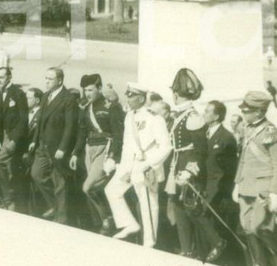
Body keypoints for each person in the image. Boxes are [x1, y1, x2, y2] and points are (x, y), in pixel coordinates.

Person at [104, 85, 172, 245]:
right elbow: (127, 144)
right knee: (112, 190)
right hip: (130, 165)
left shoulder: (155, 118)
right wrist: (120, 165)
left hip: (148, 166)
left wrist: (149, 164)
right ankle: (129, 224)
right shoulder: (129, 117)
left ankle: (149, 242)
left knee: (148, 204)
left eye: (131, 95)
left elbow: (166, 146)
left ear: (141, 99)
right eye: (127, 95)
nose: (127, 98)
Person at [233, 90, 277, 266]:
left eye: (247, 111)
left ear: (258, 112)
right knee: (246, 227)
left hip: (263, 187)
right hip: (246, 185)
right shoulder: (247, 128)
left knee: (259, 226)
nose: (243, 114)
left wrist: (275, 192)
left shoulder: (271, 132)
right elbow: (243, 159)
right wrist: (237, 182)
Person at [70, 73, 124, 235]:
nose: (87, 93)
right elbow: (82, 132)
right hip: (89, 149)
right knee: (94, 188)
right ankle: (107, 220)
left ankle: (108, 218)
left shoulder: (110, 107)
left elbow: (118, 134)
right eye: (85, 90)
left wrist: (113, 156)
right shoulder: (86, 108)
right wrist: (75, 153)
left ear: (99, 88)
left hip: (105, 149)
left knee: (89, 187)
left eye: (91, 90)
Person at [166, 68, 209, 258]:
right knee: (178, 207)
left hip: (187, 166)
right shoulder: (181, 114)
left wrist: (191, 171)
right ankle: (186, 249)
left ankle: (195, 251)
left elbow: (199, 150)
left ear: (176, 95)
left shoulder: (192, 117)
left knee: (189, 209)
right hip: (178, 164)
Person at [29, 67, 78, 224]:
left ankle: (61, 219)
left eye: (50, 79)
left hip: (57, 148)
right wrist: (34, 140)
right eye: (46, 78)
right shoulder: (45, 96)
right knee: (37, 174)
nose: (46, 81)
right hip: (42, 146)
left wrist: (63, 148)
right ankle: (55, 206)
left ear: (60, 80)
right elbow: (40, 121)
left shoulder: (68, 99)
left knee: (60, 184)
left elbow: (70, 126)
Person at [198, 100, 239, 264]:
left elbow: (230, 168)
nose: (204, 114)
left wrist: (223, 191)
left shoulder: (226, 138)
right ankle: (204, 254)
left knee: (203, 215)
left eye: (208, 111)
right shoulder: (203, 133)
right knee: (198, 215)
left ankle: (218, 247)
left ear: (217, 116)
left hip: (217, 186)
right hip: (202, 183)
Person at [0, 66, 29, 211]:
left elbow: (23, 120)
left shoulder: (18, 93)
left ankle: (9, 198)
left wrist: (14, 140)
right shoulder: (0, 94)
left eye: (1, 77)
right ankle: (8, 199)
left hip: (15, 138)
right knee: (1, 166)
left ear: (9, 78)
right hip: (5, 136)